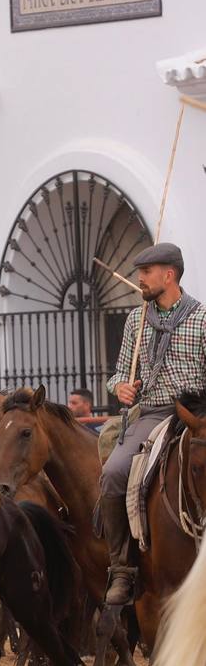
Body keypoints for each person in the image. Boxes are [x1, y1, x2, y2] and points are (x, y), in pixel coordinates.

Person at [99, 242, 206, 606]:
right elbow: (116, 375)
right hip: (154, 414)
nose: (139, 279)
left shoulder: (202, 318)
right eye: (139, 272)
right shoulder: (136, 319)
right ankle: (122, 569)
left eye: (146, 272)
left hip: (199, 414)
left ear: (169, 275)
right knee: (113, 472)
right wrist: (122, 388)